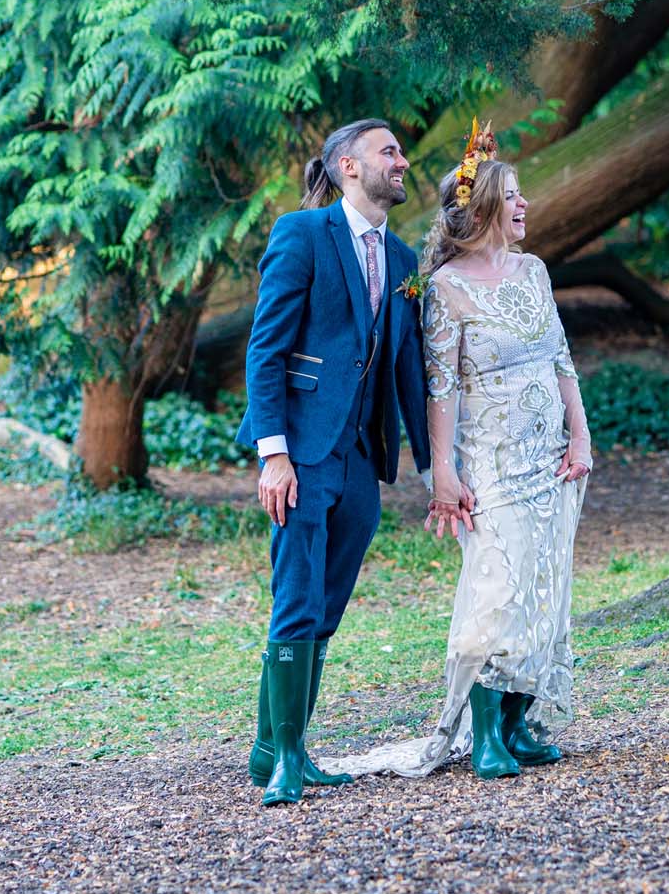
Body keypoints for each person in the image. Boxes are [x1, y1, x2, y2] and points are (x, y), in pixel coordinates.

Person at [323, 123, 593, 781]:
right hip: (491, 460)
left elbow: (560, 357)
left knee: (544, 585)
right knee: (498, 589)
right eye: (513, 195)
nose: (525, 204)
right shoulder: (444, 288)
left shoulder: (534, 271)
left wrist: (581, 435)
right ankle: (484, 730)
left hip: (551, 455)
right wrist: (441, 470)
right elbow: (439, 387)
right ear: (485, 206)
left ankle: (517, 722)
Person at [235, 119, 433, 806]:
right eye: (389, 151)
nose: (402, 161)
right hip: (300, 452)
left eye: (400, 152)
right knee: (295, 598)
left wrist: (433, 469)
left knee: (326, 607)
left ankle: (272, 747)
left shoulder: (402, 259)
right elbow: (265, 349)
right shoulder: (302, 234)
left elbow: (407, 369)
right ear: (349, 165)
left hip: (360, 459)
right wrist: (274, 455)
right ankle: (288, 761)